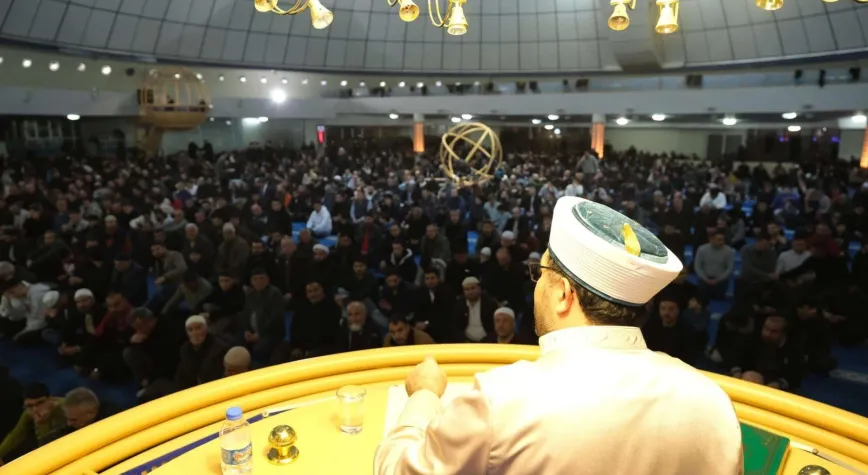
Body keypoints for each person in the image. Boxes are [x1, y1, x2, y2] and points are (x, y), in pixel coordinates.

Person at [374, 196, 742, 475]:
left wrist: (423, 395)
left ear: (563, 294)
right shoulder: (713, 402)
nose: (535, 284)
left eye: (541, 271)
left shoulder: (500, 401)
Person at [0, 383, 66, 463]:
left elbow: (47, 448)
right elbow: (16, 436)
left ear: (50, 399)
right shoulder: (29, 413)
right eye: (30, 405)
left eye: (40, 403)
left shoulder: (64, 408)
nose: (35, 409)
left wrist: (41, 424)